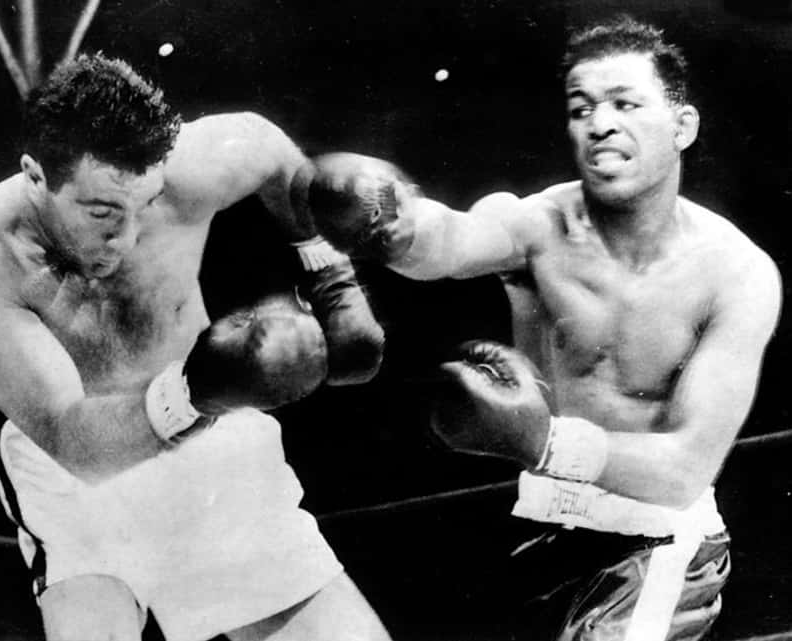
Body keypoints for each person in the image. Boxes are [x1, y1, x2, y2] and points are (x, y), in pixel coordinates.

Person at [298, 16, 782, 641]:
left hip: (660, 545)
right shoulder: (537, 226)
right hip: (541, 530)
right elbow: (450, 243)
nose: (600, 123)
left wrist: (543, 442)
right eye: (582, 108)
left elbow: (686, 468)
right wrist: (392, 225)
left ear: (682, 126)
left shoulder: (736, 273)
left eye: (626, 103)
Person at [0, 52, 390, 641]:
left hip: (211, 444)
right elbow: (73, 441)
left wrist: (334, 283)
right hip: (76, 475)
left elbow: (273, 153)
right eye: (102, 212)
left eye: (145, 204)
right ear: (36, 176)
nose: (126, 238)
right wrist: (201, 389)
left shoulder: (195, 167)